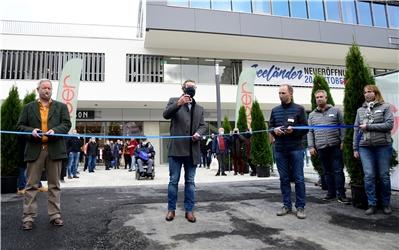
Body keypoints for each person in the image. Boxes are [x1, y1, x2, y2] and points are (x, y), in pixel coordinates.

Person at [16, 78, 72, 230]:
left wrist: (56, 130)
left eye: (49, 88)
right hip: (35, 150)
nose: (47, 90)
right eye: (44, 88)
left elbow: (67, 124)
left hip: (54, 150)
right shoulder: (28, 107)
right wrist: (31, 131)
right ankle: (28, 217)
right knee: (31, 186)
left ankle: (55, 215)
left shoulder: (61, 107)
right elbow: (20, 126)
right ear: (38, 90)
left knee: (54, 185)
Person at [163, 79, 206, 223]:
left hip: (192, 150)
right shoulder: (173, 101)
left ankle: (189, 210)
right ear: (183, 89)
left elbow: (202, 126)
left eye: (194, 87)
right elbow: (166, 115)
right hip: (176, 150)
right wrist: (179, 104)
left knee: (190, 182)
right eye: (189, 87)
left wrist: (198, 134)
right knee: (173, 181)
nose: (192, 89)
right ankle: (171, 209)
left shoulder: (199, 108)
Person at [269, 84, 309, 219]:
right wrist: (274, 131)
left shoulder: (299, 109)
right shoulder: (275, 110)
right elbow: (270, 127)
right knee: (284, 179)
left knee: (298, 179)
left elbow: (305, 128)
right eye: (279, 93)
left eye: (283, 93)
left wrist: (294, 131)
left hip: (295, 149)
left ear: (290, 93)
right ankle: (287, 205)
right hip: (280, 149)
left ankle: (300, 207)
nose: (281, 95)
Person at [353, 85, 394, 215]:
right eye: (365, 92)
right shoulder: (360, 110)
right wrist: (355, 148)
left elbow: (389, 125)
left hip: (383, 146)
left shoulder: (385, 107)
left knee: (384, 176)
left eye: (369, 92)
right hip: (365, 147)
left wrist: (368, 126)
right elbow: (356, 129)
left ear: (376, 93)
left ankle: (386, 204)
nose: (366, 94)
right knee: (369, 176)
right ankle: (372, 204)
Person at [308, 90, 349, 205]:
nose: (319, 99)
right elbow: (310, 132)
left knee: (338, 171)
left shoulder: (335, 111)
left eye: (321, 97)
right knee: (327, 172)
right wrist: (311, 146)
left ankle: (341, 194)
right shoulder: (312, 115)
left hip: (335, 146)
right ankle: (331, 193)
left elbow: (342, 127)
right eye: (317, 97)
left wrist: (343, 141)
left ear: (326, 98)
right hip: (321, 147)